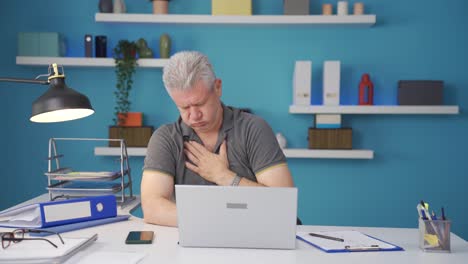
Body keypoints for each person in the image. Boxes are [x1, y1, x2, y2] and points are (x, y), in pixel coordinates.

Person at [141, 51, 295, 227]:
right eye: (184, 108)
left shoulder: (254, 129)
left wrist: (225, 177)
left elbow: (284, 205)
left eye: (200, 104)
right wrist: (220, 222)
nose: (194, 116)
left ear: (218, 87)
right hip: (195, 246)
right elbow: (152, 208)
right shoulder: (165, 139)